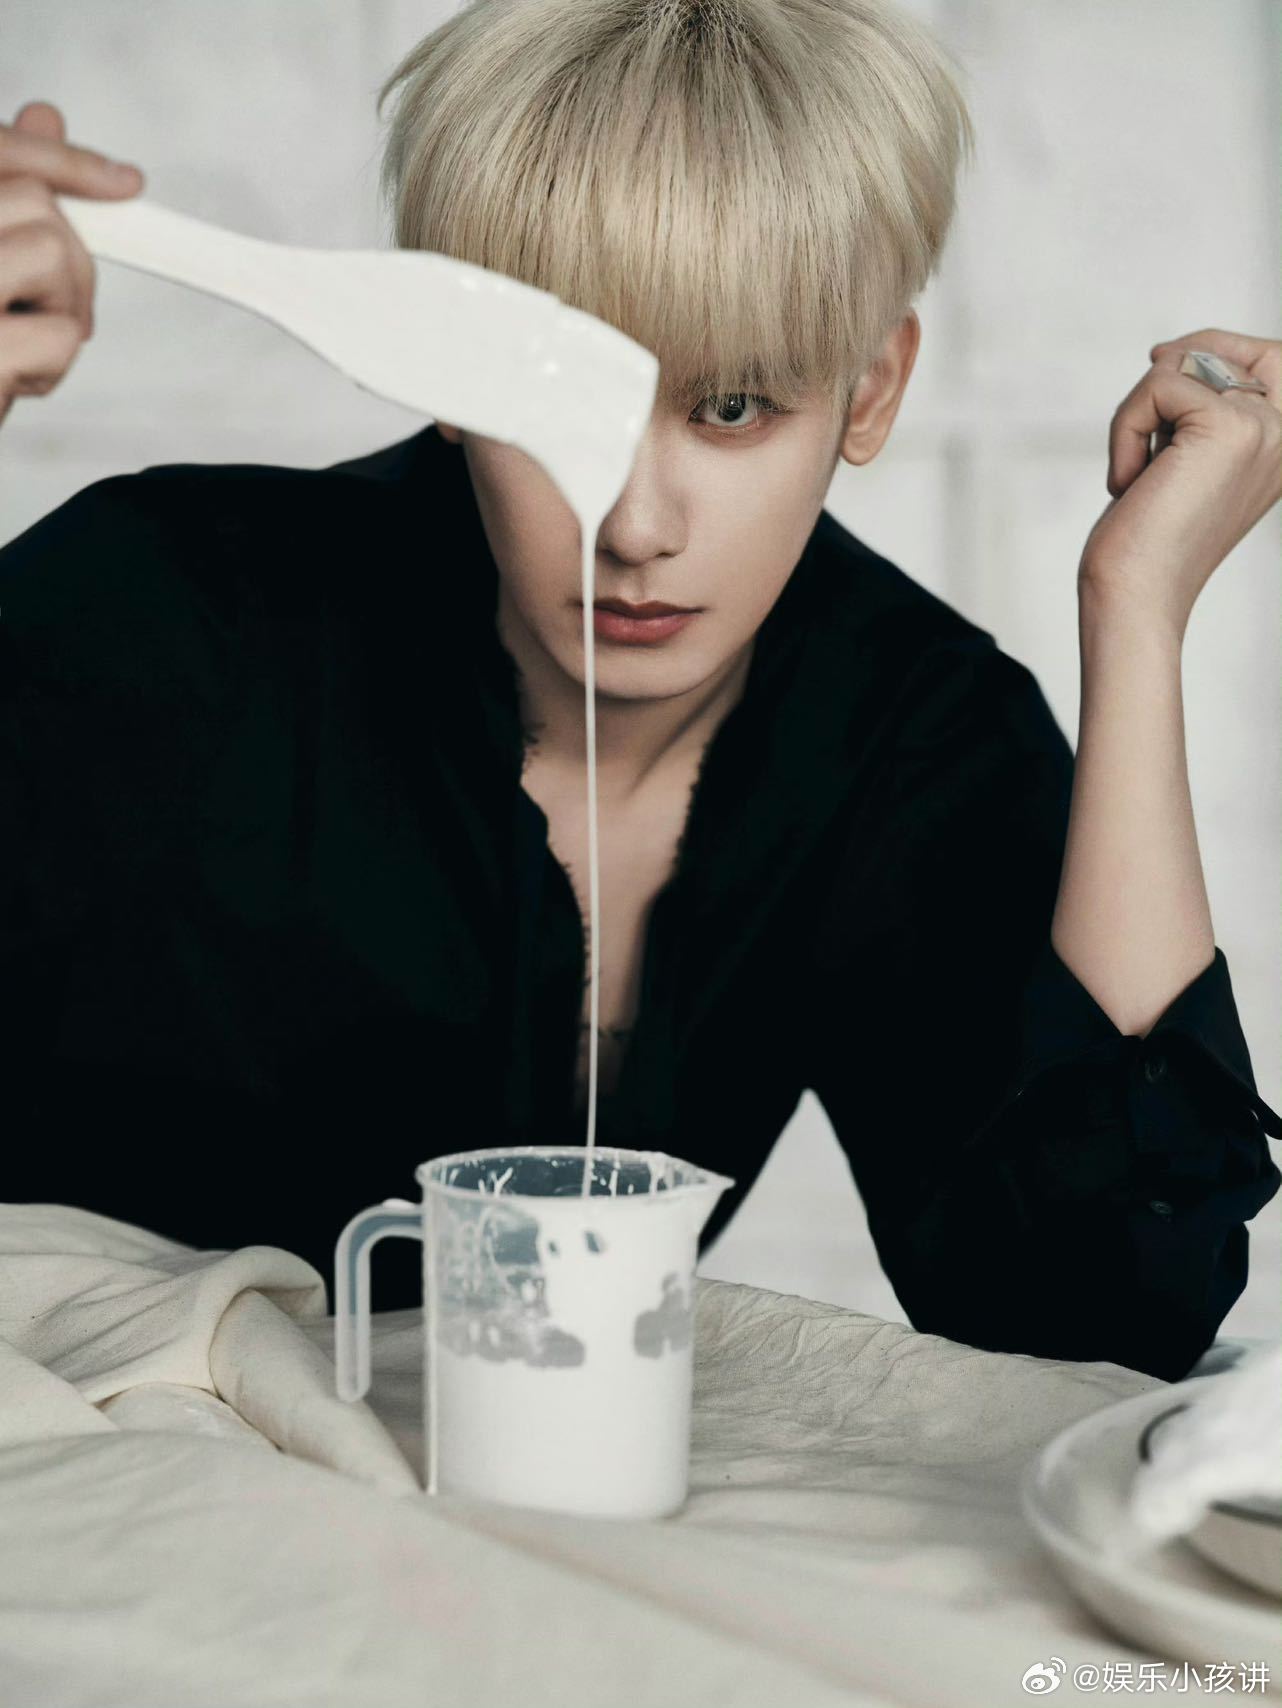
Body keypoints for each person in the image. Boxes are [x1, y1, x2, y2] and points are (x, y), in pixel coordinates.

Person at [2, 0, 1279, 1383]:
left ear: (869, 392)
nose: (636, 526)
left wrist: (1136, 615)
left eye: (732, 408)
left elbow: (1099, 1326)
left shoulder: (912, 732)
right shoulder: (161, 610)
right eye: (562, 402)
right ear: (443, 365)